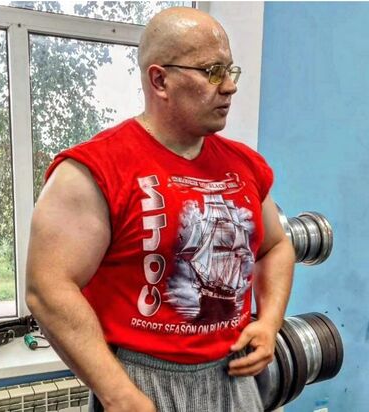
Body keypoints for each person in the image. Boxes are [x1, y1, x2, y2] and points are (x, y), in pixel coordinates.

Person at [26, 6, 295, 412]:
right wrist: (118, 395)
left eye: (230, 71)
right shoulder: (93, 169)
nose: (229, 87)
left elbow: (276, 247)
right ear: (160, 80)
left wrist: (270, 321)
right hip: (141, 381)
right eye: (212, 71)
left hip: (233, 375)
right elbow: (48, 288)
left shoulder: (245, 166)